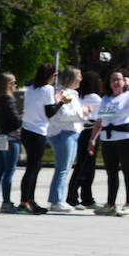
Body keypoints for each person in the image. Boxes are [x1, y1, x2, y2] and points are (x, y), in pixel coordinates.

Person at [19, 61, 65, 214]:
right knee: (33, 168)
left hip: (27, 130)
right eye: (55, 75)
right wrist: (61, 101)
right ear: (51, 75)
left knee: (33, 167)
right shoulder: (47, 90)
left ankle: (29, 200)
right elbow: (50, 113)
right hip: (38, 132)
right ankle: (25, 201)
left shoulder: (31, 88)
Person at [90, 68, 129, 216]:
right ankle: (110, 204)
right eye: (113, 79)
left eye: (118, 79)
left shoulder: (127, 96)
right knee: (111, 173)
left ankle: (128, 203)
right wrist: (92, 139)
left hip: (124, 138)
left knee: (127, 172)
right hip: (107, 139)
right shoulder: (105, 99)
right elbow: (99, 121)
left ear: (124, 81)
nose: (115, 82)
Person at [46, 66, 85, 212]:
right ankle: (56, 201)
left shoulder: (73, 94)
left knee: (66, 169)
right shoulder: (62, 93)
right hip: (63, 133)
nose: (81, 79)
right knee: (62, 169)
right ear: (72, 78)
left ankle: (58, 199)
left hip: (72, 133)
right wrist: (83, 114)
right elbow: (62, 115)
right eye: (79, 76)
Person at [0, 72, 22, 213]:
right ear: (8, 84)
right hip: (10, 138)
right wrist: (23, 117)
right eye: (14, 82)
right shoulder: (9, 99)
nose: (15, 85)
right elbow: (15, 121)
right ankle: (6, 201)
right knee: (9, 171)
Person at [69, 70, 104, 209]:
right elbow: (99, 119)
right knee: (86, 166)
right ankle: (74, 197)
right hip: (91, 133)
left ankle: (86, 197)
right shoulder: (96, 98)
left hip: (81, 131)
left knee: (83, 165)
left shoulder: (79, 96)